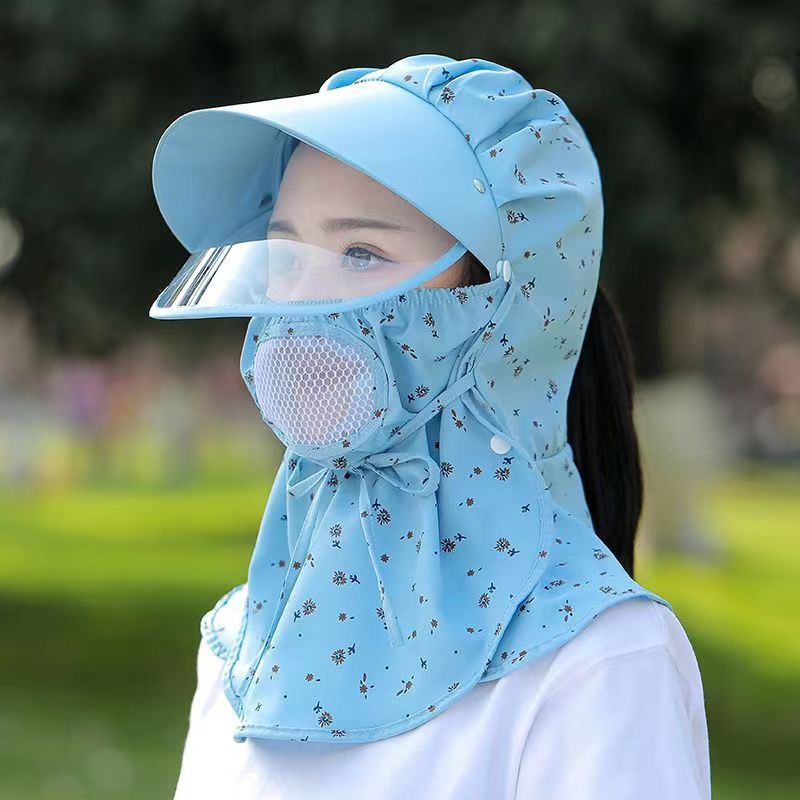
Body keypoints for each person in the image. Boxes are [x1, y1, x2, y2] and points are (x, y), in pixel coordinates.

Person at [149, 54, 711, 799]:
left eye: (360, 253)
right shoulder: (241, 641)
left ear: (504, 305)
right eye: (284, 252)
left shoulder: (597, 657)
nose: (298, 299)